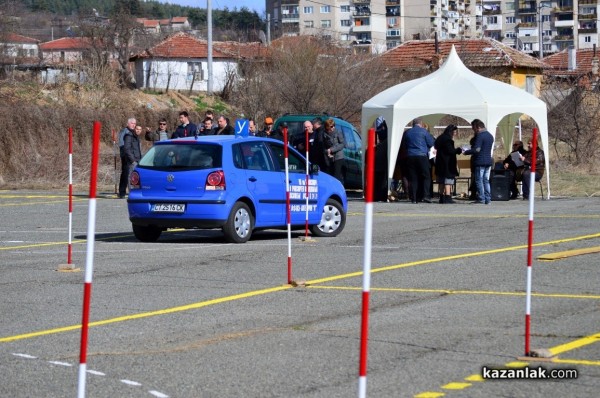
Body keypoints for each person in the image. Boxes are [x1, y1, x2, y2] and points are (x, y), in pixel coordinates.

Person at [403, 118, 435, 203]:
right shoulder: (424, 131)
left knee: (413, 178)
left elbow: (404, 145)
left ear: (413, 124)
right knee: (426, 176)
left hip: (410, 157)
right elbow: (431, 143)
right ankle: (426, 196)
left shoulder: (407, 133)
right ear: (421, 124)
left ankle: (414, 198)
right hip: (422, 156)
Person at [464, 119, 494, 204]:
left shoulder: (480, 136)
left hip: (480, 160)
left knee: (479, 180)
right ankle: (488, 199)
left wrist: (466, 152)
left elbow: (477, 149)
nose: (473, 130)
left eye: (473, 128)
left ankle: (481, 198)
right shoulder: (490, 135)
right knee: (486, 180)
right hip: (488, 160)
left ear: (478, 127)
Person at [434, 124, 462, 204]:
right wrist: (458, 150)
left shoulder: (440, 138)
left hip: (440, 163)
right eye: (454, 131)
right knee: (448, 181)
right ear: (450, 132)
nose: (455, 133)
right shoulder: (448, 140)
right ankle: (448, 197)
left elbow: (436, 147)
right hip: (447, 163)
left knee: (441, 181)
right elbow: (450, 151)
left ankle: (441, 198)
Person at [119, 123, 143, 198]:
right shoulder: (129, 136)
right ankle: (131, 193)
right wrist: (132, 160)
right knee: (130, 176)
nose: (138, 131)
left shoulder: (137, 137)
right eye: (137, 129)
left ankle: (135, 192)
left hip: (138, 160)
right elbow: (127, 149)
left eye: (140, 129)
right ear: (134, 129)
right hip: (132, 160)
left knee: (136, 177)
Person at [118, 118, 137, 198]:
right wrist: (125, 155)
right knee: (125, 173)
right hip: (126, 156)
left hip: (131, 156)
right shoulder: (125, 131)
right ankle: (122, 192)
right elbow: (122, 144)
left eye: (134, 123)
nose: (133, 125)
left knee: (129, 174)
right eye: (132, 123)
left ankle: (127, 191)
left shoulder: (133, 133)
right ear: (128, 124)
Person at [323, 118, 346, 183]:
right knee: (330, 175)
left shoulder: (338, 132)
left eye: (333, 126)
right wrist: (327, 152)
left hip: (338, 157)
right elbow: (324, 146)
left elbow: (342, 144)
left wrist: (331, 150)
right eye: (331, 126)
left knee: (337, 175)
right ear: (327, 127)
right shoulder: (324, 134)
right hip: (329, 158)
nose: (333, 128)